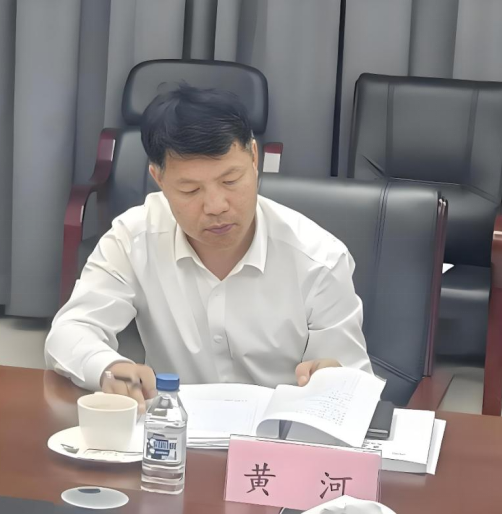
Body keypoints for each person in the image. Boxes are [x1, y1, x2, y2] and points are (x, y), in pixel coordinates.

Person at [46, 85, 371, 411]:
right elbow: (70, 331)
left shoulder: (320, 259)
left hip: (278, 434)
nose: (216, 206)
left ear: (254, 158)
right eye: (190, 190)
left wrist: (333, 378)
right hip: (174, 432)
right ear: (158, 179)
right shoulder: (134, 238)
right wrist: (109, 368)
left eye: (230, 181)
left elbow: (354, 383)